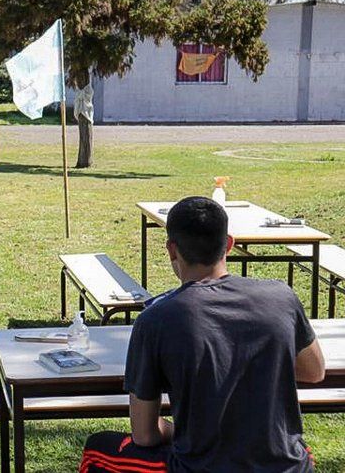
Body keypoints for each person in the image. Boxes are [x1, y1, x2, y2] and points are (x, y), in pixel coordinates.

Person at [82, 196, 326, 473]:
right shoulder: (282, 296)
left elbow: (144, 434)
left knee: (97, 450)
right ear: (229, 243)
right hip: (287, 466)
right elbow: (314, 371)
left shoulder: (156, 319)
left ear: (172, 250)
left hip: (200, 466)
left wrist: (181, 432)